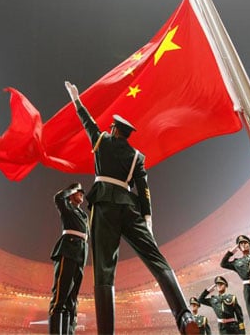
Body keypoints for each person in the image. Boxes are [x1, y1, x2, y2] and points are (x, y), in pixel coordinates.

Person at [64, 81, 198, 334]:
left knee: (104, 270)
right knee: (156, 260)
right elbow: (143, 188)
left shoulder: (102, 141)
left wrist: (76, 99)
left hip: (104, 205)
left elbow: (87, 123)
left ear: (113, 129)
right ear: (126, 135)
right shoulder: (138, 156)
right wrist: (147, 216)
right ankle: (184, 316)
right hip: (129, 207)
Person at [49, 182, 89, 335]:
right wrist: (71, 188)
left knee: (72, 301)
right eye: (78, 192)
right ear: (71, 195)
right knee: (60, 296)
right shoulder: (67, 207)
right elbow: (58, 198)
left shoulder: (83, 215)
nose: (81, 194)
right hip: (68, 250)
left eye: (81, 193)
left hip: (81, 253)